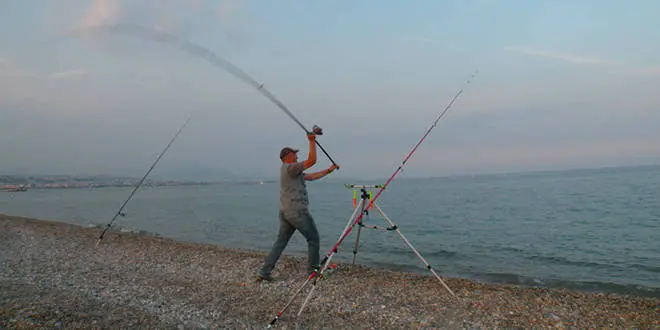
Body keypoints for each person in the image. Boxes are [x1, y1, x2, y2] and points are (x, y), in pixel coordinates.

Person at [256, 131, 339, 282]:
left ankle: (264, 271)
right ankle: (313, 270)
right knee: (313, 239)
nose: (297, 157)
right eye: (295, 154)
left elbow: (312, 176)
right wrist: (311, 141)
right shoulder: (290, 167)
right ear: (288, 156)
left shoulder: (292, 171)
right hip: (297, 212)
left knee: (280, 242)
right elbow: (312, 160)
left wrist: (329, 170)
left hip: (285, 212)